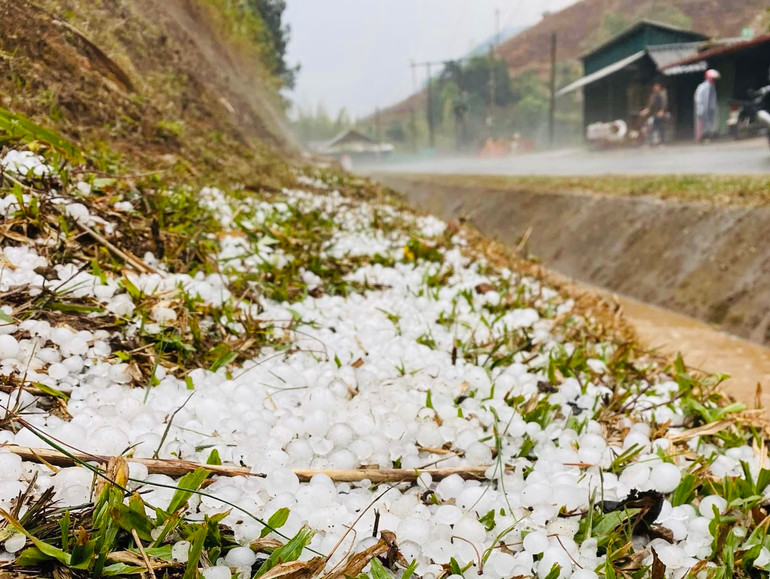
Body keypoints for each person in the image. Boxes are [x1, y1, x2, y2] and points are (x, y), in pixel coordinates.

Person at [694, 69, 720, 142]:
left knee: (710, 123)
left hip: (710, 109)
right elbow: (698, 98)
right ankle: (701, 138)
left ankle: (709, 137)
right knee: (702, 124)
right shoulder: (703, 87)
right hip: (703, 109)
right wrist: (701, 108)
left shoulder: (712, 87)